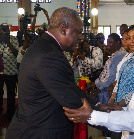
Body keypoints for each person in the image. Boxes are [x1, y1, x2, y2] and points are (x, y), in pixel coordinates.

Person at [5, 7, 101, 139]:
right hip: (38, 132)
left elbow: (70, 87)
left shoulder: (46, 47)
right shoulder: (49, 55)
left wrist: (99, 105)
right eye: (78, 32)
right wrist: (110, 119)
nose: (80, 37)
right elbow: (71, 101)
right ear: (63, 29)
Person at [109, 24, 134, 107]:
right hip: (119, 103)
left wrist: (121, 103)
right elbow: (120, 79)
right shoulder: (129, 57)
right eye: (129, 38)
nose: (131, 41)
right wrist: (112, 99)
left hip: (133, 104)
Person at [87, 33, 127, 104]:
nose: (108, 44)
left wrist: (99, 89)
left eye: (110, 42)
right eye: (108, 42)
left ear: (117, 43)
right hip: (104, 87)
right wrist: (95, 83)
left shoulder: (119, 55)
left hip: (107, 90)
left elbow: (111, 76)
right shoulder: (115, 54)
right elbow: (105, 72)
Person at [0, 24, 19, 121]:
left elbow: (16, 53)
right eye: (3, 30)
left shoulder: (13, 39)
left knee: (11, 93)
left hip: (10, 71)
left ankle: (10, 114)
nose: (5, 32)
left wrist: (8, 42)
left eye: (6, 30)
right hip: (0, 71)